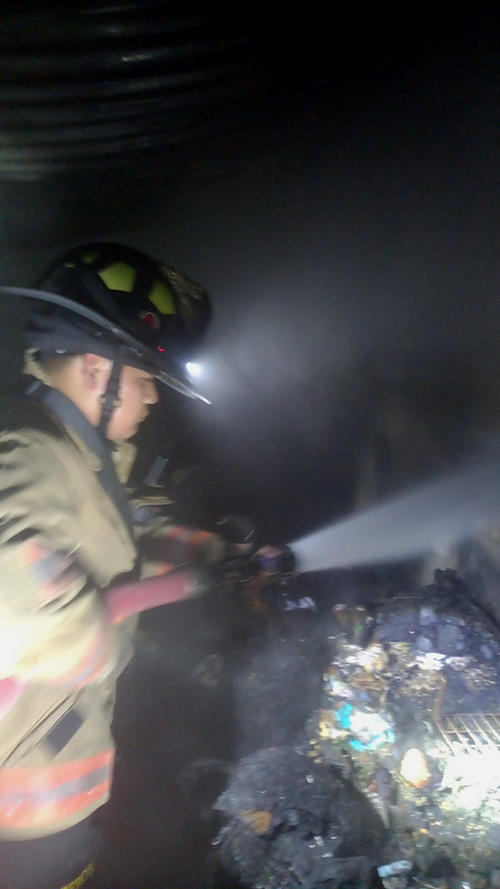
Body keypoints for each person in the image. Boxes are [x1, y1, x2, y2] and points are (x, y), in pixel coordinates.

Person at [0, 243, 240, 889]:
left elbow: (122, 541)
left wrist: (213, 554)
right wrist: (103, 636)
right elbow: (15, 612)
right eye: (143, 378)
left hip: (50, 803)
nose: (154, 399)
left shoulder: (78, 455)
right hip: (19, 827)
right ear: (94, 370)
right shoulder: (29, 453)